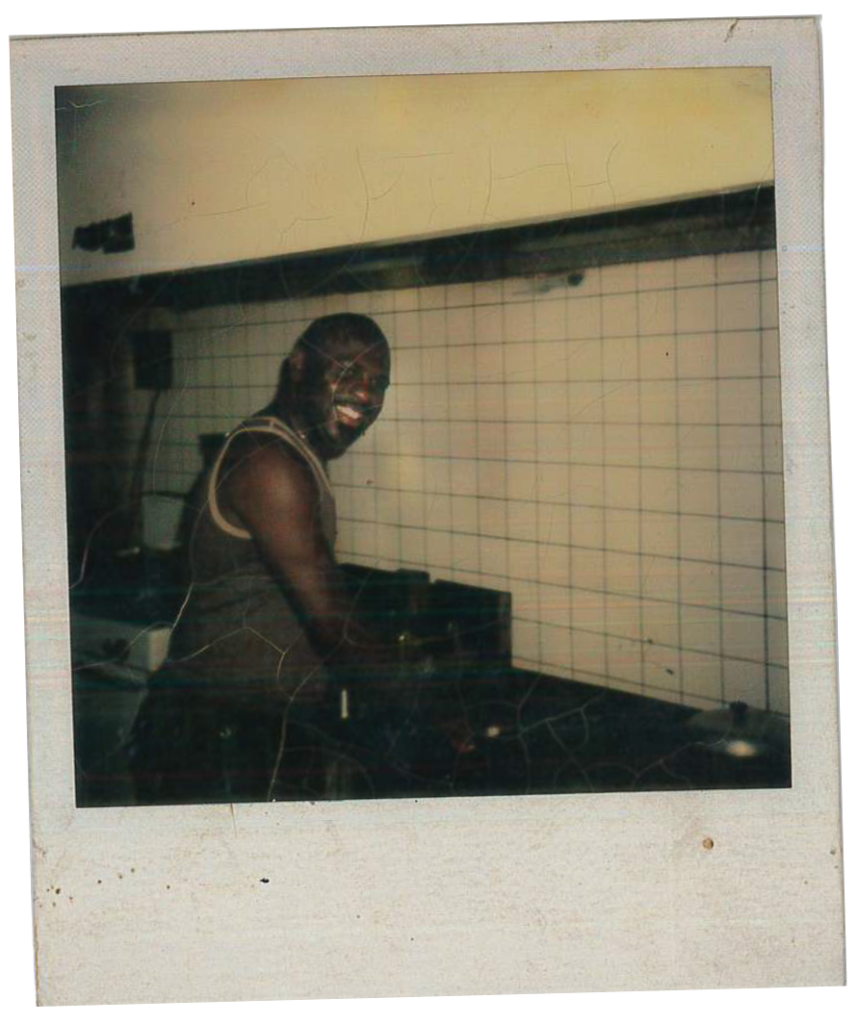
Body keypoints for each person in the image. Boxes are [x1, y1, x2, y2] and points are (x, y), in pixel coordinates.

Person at [127, 313, 402, 803]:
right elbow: (334, 625)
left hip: (238, 732)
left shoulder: (293, 451)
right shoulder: (269, 462)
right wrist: (432, 704)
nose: (366, 393)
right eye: (347, 372)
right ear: (297, 367)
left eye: (377, 382)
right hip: (217, 741)